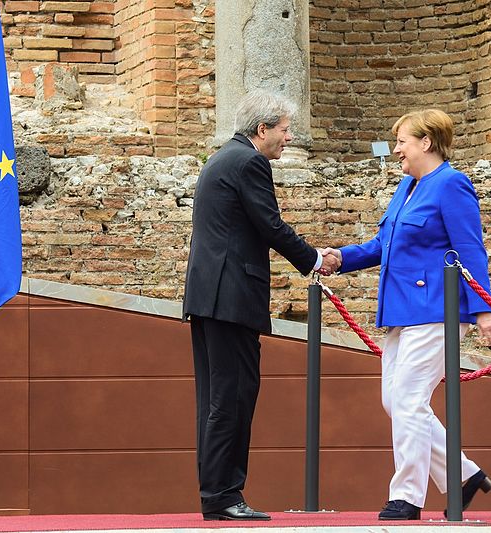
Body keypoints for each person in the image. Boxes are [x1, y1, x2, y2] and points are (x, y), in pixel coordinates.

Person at [323, 109, 491, 520]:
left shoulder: (451, 184)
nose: (397, 148)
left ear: (426, 142)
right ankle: (465, 474)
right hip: (400, 311)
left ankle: (406, 497)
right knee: (396, 401)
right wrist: (340, 258)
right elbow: (382, 244)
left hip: (435, 309)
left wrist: (484, 309)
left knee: (408, 400)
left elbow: (470, 249)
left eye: (402, 140)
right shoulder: (407, 187)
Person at [183, 89, 340, 521]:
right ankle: (223, 496)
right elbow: (269, 225)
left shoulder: (221, 158)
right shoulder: (249, 162)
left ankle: (217, 494)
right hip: (231, 297)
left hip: (211, 297)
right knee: (233, 398)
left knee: (217, 398)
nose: (289, 138)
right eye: (285, 130)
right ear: (262, 129)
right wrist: (313, 258)